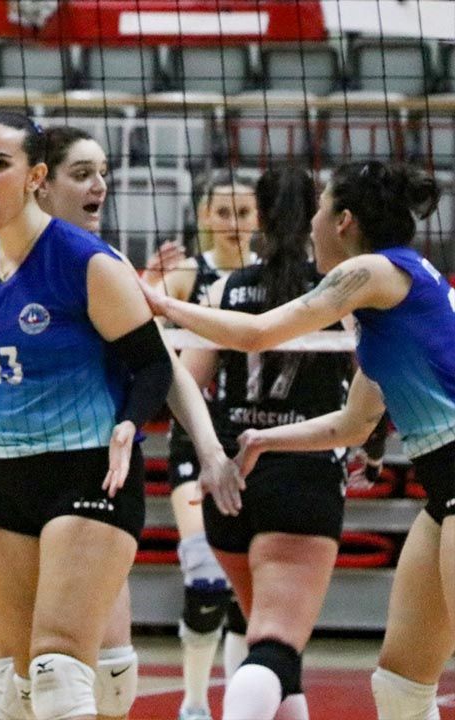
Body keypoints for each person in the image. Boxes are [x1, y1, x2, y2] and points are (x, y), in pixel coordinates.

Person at [0, 125, 234, 720]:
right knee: (14, 682)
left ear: (33, 178)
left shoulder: (89, 262)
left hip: (88, 468)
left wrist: (173, 438)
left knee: (65, 670)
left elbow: (157, 364)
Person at [142, 160, 452, 720]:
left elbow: (259, 332)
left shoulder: (376, 270)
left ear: (343, 221)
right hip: (441, 488)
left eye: (320, 210)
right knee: (401, 685)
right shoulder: (384, 316)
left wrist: (162, 305)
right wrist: (265, 439)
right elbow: (352, 425)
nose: (310, 224)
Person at [174, 167, 354, 720]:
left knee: (273, 647)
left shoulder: (226, 288)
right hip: (302, 479)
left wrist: (211, 455)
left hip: (231, 481)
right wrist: (370, 447)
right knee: (275, 644)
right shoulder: (339, 292)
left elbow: (185, 381)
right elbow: (374, 386)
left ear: (261, 216)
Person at [145, 171, 260, 717]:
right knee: (207, 578)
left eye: (245, 212)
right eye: (224, 212)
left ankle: (238, 703)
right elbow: (137, 329)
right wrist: (150, 284)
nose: (235, 223)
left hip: (252, 438)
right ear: (205, 218)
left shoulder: (272, 275)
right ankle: (193, 703)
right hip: (194, 437)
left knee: (247, 592)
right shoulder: (191, 272)